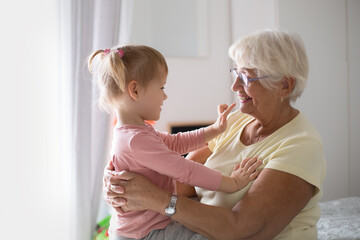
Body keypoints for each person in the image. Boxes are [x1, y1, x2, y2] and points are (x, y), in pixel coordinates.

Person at [103, 29, 327, 240]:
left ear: (285, 86)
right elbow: (182, 181)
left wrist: (154, 198)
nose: (234, 86)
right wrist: (123, 182)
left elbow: (243, 229)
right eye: (235, 73)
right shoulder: (237, 120)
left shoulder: (301, 146)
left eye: (247, 78)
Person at [87, 45, 262, 240]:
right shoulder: (135, 140)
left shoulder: (136, 132)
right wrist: (233, 183)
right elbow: (185, 170)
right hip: (144, 233)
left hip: (149, 225)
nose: (165, 95)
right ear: (135, 90)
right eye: (161, 88)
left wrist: (214, 130)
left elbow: (175, 143)